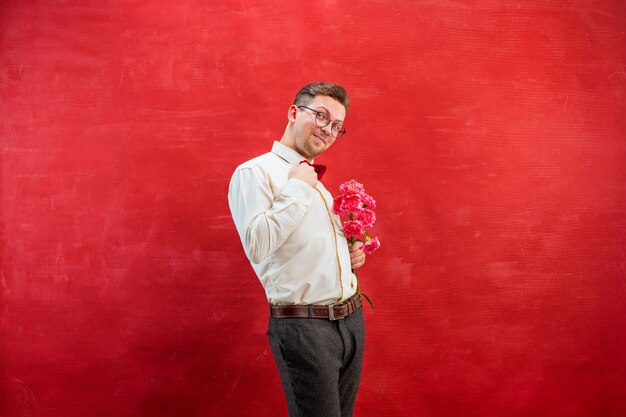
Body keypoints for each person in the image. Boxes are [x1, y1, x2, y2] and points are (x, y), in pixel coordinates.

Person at [228, 82, 367, 417]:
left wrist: (350, 254)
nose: (328, 129)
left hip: (350, 323)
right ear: (293, 113)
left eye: (336, 125)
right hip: (305, 329)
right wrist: (296, 188)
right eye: (321, 116)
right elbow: (259, 245)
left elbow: (305, 249)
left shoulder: (316, 185)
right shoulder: (255, 173)